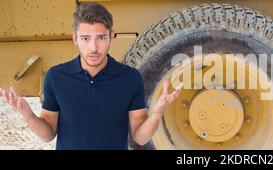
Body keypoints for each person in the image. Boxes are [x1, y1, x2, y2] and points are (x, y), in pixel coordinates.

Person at [0, 2, 181, 150]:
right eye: (86, 38)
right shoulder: (56, 77)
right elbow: (48, 134)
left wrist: (156, 114)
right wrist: (28, 115)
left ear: (112, 36)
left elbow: (140, 137)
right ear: (75, 39)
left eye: (101, 38)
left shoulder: (130, 78)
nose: (94, 47)